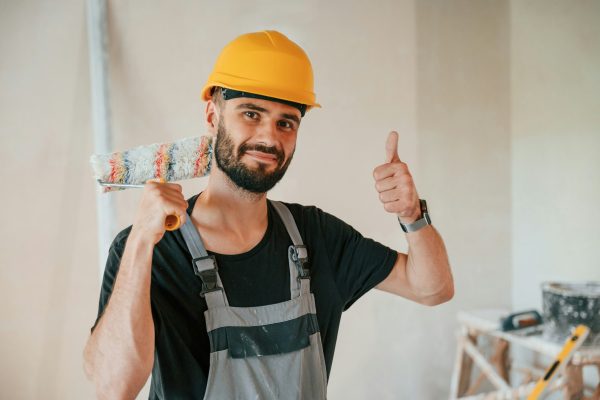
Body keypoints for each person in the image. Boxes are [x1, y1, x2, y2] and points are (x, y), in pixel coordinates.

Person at [83, 30, 453, 400]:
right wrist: (140, 244)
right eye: (251, 113)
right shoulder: (153, 249)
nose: (269, 138)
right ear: (213, 115)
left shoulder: (316, 234)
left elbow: (432, 288)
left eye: (286, 122)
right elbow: (113, 387)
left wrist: (412, 214)